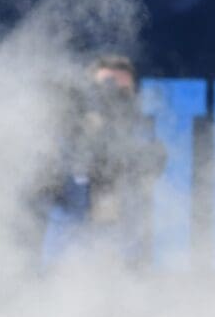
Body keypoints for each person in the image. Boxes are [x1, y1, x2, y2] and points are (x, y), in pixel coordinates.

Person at [39, 54, 166, 266]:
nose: (113, 99)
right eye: (105, 90)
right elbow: (41, 183)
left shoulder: (145, 140)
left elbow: (151, 165)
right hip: (66, 265)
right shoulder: (62, 134)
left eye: (123, 93)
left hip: (123, 264)